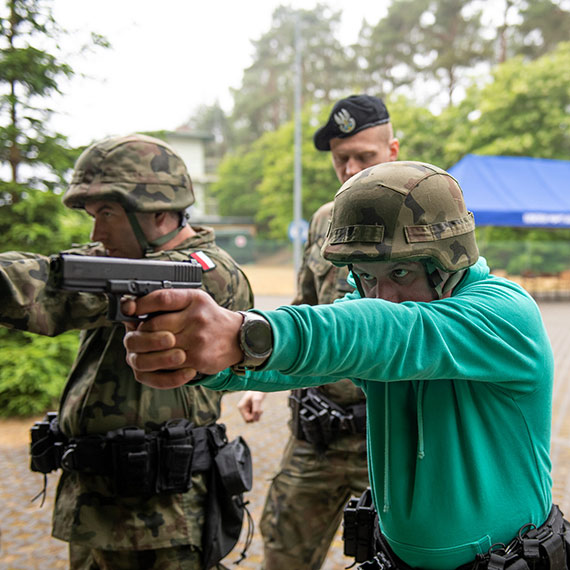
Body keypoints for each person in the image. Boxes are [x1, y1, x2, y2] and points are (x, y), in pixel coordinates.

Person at [123, 160, 569, 570]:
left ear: (449, 261)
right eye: (367, 276)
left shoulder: (504, 315)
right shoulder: (381, 314)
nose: (380, 295)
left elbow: (385, 330)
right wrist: (201, 359)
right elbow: (315, 357)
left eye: (401, 273)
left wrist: (245, 333)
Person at [0, 134, 254, 569]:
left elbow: (50, 290)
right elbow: (59, 274)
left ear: (158, 212)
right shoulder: (122, 260)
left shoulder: (204, 276)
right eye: (91, 215)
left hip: (162, 521)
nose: (96, 233)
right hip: (98, 507)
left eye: (108, 214)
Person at [237, 94, 399, 569]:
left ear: (392, 149)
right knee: (285, 549)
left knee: (403, 556)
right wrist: (264, 379)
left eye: (363, 157)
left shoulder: (428, 219)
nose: (350, 169)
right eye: (340, 159)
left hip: (392, 434)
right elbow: (305, 306)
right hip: (318, 432)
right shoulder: (325, 222)